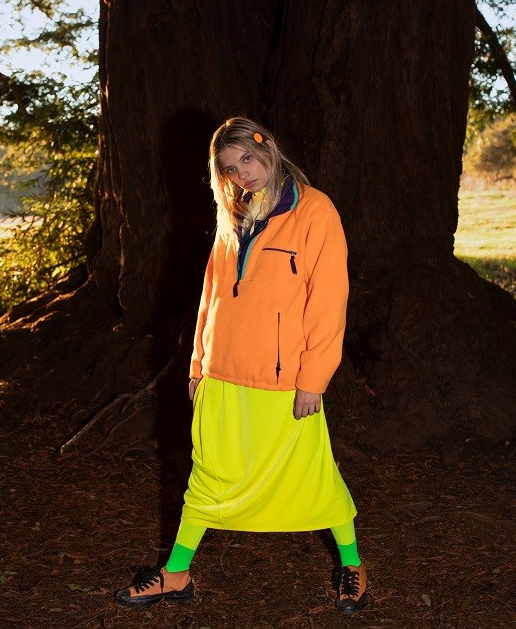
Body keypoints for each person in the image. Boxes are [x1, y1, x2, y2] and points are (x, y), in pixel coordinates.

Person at [115, 116, 367, 614]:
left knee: (315, 475)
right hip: (222, 373)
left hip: (284, 380)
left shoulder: (315, 211)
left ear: (268, 146)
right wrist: (198, 364)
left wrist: (314, 378)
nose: (242, 174)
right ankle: (176, 574)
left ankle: (353, 565)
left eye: (247, 159)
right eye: (230, 169)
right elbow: (211, 295)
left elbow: (329, 302)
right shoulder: (235, 215)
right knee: (208, 476)